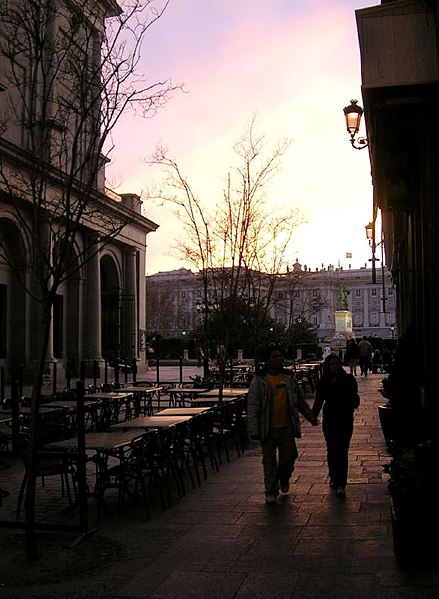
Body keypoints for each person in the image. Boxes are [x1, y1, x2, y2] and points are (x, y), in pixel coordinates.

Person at [247, 344, 318, 504]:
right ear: (267, 360)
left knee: (289, 457)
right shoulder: (259, 381)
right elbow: (253, 406)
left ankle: (284, 477)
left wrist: (310, 416)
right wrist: (254, 430)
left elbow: (298, 400)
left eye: (280, 356)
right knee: (269, 462)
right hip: (268, 428)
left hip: (287, 426)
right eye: (274, 356)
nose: (278, 359)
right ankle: (270, 490)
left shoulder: (288, 378)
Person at [312, 353, 360, 497]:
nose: (335, 366)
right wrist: (312, 416)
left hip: (345, 419)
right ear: (328, 366)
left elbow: (354, 399)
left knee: (342, 450)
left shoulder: (348, 380)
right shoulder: (323, 382)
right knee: (332, 449)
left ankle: (341, 482)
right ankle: (333, 475)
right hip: (330, 419)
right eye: (332, 364)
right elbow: (319, 400)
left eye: (337, 363)